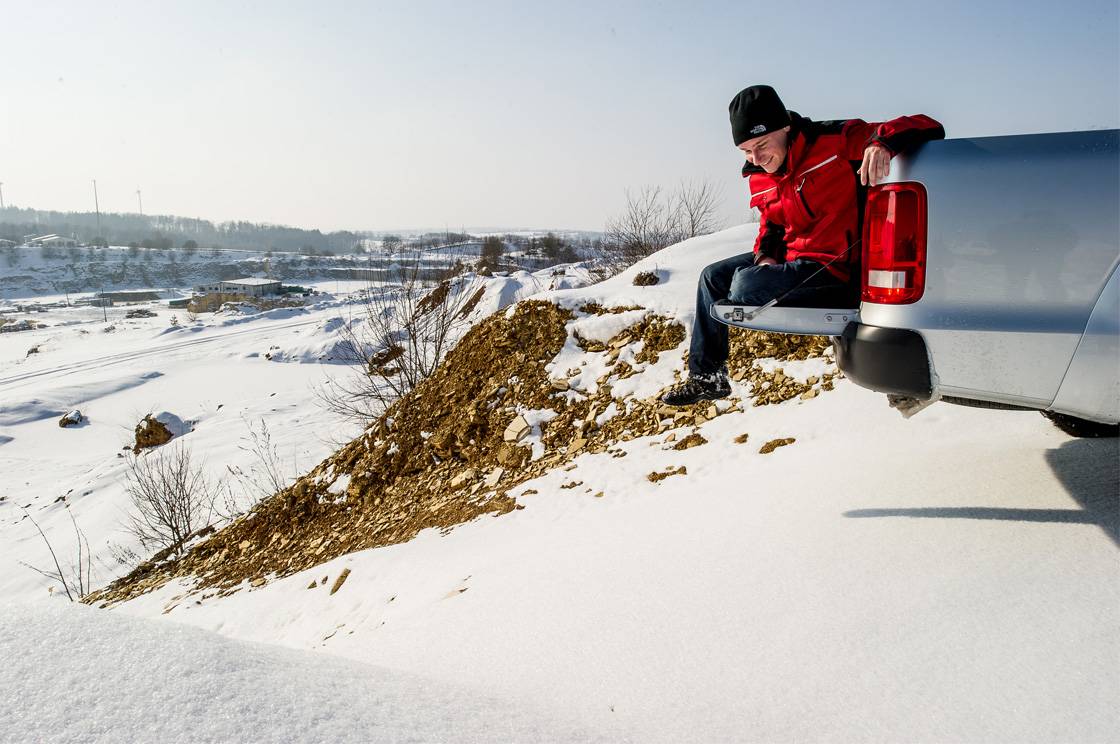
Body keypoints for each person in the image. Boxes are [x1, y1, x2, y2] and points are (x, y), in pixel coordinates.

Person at [661, 85, 944, 406]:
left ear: (785, 128)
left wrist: (882, 144)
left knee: (743, 285)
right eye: (746, 151)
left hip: (834, 268)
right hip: (792, 262)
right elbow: (772, 224)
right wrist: (765, 256)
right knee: (712, 277)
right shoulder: (759, 174)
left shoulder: (835, 141)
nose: (756, 158)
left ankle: (756, 286)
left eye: (762, 145)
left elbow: (926, 123)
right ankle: (707, 377)